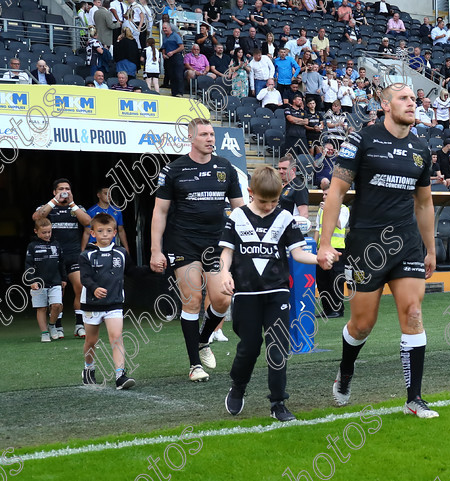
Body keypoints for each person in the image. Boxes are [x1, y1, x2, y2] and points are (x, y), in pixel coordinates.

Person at [317, 83, 439, 418]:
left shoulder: (421, 148)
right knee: (362, 324)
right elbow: (336, 193)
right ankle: (346, 370)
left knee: (413, 313)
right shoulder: (362, 139)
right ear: (385, 105)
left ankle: (414, 399)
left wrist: (430, 248)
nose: (412, 103)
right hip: (366, 246)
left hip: (407, 244)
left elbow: (425, 203)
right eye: (403, 98)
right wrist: (325, 242)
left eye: (414, 98)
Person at [218, 166, 316, 421]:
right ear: (251, 193)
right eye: (263, 201)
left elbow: (298, 253)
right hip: (246, 295)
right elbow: (226, 252)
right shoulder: (237, 216)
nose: (269, 206)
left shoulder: (285, 218)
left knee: (278, 347)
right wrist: (225, 273)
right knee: (249, 348)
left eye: (274, 200)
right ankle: (238, 386)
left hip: (277, 294)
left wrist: (320, 259)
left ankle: (278, 403)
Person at [150, 119, 244, 382]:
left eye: (212, 134)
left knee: (223, 299)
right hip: (184, 243)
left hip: (216, 244)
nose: (210, 138)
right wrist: (155, 250)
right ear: (191, 137)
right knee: (191, 300)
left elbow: (239, 209)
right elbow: (160, 211)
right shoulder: (174, 169)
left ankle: (203, 341)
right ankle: (195, 366)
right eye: (204, 134)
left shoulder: (225, 167)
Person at [80, 213, 151, 388]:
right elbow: (85, 278)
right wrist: (95, 288)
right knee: (91, 340)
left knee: (116, 337)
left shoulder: (121, 252)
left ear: (114, 233)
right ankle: (88, 368)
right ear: (93, 233)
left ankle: (120, 375)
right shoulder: (86, 255)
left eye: (109, 230)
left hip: (114, 303)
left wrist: (151, 269)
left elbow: (132, 271)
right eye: (101, 230)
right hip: (91, 305)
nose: (105, 234)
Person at [32, 179, 92, 339]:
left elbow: (88, 222)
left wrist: (72, 203)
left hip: (73, 255)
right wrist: (54, 201)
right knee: (58, 294)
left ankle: (80, 325)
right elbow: (37, 217)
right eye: (61, 189)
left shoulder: (77, 208)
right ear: (54, 191)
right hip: (53, 258)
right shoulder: (47, 207)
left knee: (80, 287)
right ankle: (57, 326)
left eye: (67, 189)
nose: (64, 191)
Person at [26, 218, 67, 342]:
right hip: (38, 283)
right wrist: (31, 281)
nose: (47, 235)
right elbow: (28, 265)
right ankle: (44, 332)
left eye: (49, 232)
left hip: (55, 281)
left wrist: (64, 278)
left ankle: (52, 325)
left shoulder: (56, 244)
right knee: (41, 308)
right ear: (36, 231)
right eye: (44, 232)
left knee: (57, 305)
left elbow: (62, 263)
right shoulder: (32, 246)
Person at [313, 181, 349, 318]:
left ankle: (338, 309)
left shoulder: (344, 209)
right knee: (322, 281)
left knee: (335, 280)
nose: (323, 197)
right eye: (323, 194)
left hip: (337, 249)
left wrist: (329, 209)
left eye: (326, 194)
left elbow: (340, 225)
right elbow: (317, 229)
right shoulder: (321, 209)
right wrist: (314, 247)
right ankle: (327, 309)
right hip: (322, 249)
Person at [82, 186, 130, 251]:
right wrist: (83, 251)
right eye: (106, 193)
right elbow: (87, 232)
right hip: (95, 247)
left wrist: (126, 249)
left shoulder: (117, 210)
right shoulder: (91, 211)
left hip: (110, 247)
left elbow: (121, 231)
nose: (109, 196)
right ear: (98, 195)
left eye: (110, 194)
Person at [160, 22, 185, 96]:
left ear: (169, 28)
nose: (164, 30)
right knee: (172, 76)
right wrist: (163, 54)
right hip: (168, 59)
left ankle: (180, 92)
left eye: (165, 28)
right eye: (163, 28)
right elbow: (163, 47)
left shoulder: (176, 36)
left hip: (177, 57)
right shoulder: (165, 38)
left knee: (178, 75)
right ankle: (174, 93)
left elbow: (181, 47)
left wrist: (173, 52)